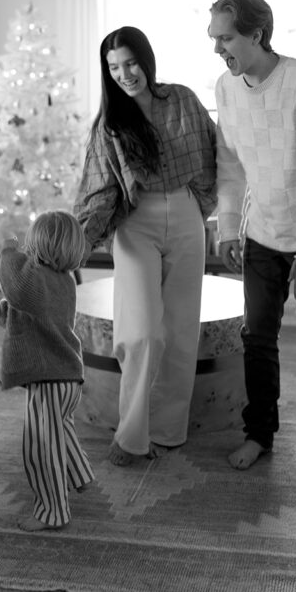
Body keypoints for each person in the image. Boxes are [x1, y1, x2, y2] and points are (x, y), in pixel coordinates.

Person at [207, 0, 296, 488]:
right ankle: (260, 434)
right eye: (214, 37)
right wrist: (228, 226)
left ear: (257, 35)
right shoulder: (225, 88)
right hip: (264, 233)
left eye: (225, 37)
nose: (217, 47)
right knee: (258, 339)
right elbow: (230, 166)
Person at [74, 26, 217, 467]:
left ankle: (169, 432)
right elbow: (99, 192)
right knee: (140, 334)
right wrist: (73, 242)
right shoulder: (110, 124)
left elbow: (215, 153)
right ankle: (132, 436)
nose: (124, 74)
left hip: (188, 216)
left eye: (130, 63)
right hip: (136, 224)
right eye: (113, 67)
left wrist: (208, 207)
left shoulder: (183, 100)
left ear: (147, 59)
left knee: (179, 331)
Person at [0, 210, 94, 531]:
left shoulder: (36, 282)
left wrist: (9, 251)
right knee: (59, 432)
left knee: (40, 446)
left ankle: (51, 511)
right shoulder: (62, 281)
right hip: (67, 377)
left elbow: (18, 287)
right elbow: (27, 310)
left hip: (49, 380)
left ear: (39, 245)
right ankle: (80, 474)